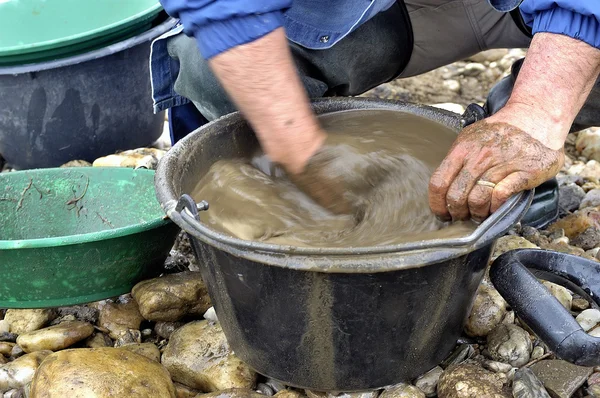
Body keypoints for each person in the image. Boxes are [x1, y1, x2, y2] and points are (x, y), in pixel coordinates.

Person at [150, 0, 600, 223]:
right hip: (364, 12)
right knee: (206, 66)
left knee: (547, 102)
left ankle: (504, 160)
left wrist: (537, 113)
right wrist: (294, 143)